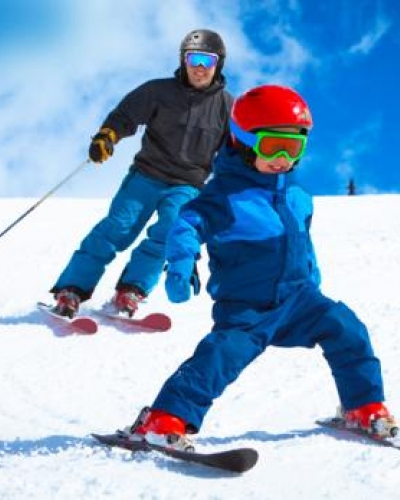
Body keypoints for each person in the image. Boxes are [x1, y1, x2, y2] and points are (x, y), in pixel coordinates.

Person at [119, 84, 398, 451]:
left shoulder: (297, 194)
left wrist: (311, 275)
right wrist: (183, 261)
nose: (283, 157)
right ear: (242, 141)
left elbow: (302, 240)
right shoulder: (224, 196)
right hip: (248, 306)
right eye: (272, 146)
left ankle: (363, 407)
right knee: (221, 356)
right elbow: (188, 223)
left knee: (347, 328)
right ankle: (164, 418)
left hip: (299, 299)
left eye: (293, 146)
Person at [50, 29, 234, 318]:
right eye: (193, 58)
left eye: (207, 60)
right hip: (147, 175)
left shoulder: (226, 106)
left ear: (218, 64)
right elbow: (125, 115)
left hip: (187, 185)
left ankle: (131, 291)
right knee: (116, 228)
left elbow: (232, 151)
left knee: (170, 233)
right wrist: (107, 136)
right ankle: (71, 289)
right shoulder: (158, 91)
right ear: (183, 60)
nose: (200, 67)